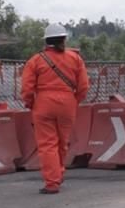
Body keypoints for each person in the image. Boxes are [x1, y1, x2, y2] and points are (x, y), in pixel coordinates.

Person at [21, 23, 89, 194]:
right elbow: (83, 87)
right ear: (64, 39)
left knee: (47, 144)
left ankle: (52, 182)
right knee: (62, 143)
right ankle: (58, 174)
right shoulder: (75, 58)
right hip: (67, 102)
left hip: (43, 103)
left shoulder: (35, 60)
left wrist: (30, 103)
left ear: (46, 41)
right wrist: (74, 101)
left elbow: (28, 88)